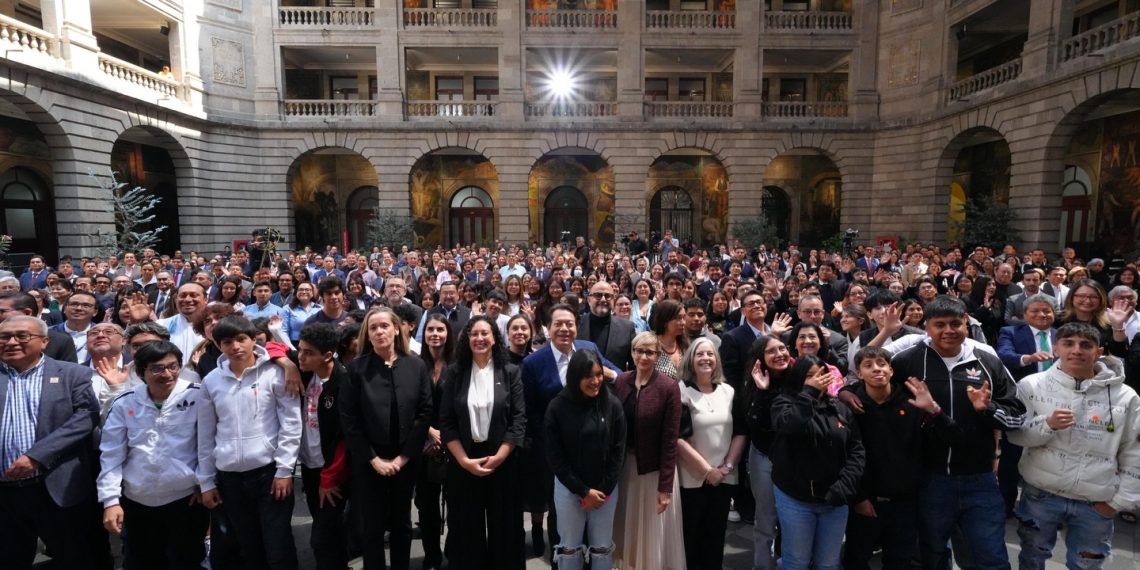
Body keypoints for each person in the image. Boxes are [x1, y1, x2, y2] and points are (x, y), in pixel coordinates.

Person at [885, 295, 1025, 570]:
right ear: (927, 327)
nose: (948, 331)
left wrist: (987, 408)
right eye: (939, 325)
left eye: (955, 324)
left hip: (979, 479)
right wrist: (845, 394)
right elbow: (871, 389)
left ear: (966, 324)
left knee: (990, 557)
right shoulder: (906, 362)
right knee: (932, 555)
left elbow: (1017, 415)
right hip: (929, 478)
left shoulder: (988, 361)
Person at [1009, 322, 1140, 569]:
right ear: (1056, 347)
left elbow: (1135, 452)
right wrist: (1047, 425)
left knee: (1086, 565)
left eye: (1086, 345)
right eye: (1068, 343)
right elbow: (1016, 437)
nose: (1077, 350)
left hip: (1096, 503)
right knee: (1032, 559)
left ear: (1099, 352)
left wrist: (1118, 503)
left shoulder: (1126, 397)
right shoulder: (1031, 385)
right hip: (1040, 496)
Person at [197, 315, 302, 570]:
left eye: (241, 339)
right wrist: (207, 481)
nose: (235, 347)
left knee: (278, 547)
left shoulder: (275, 373)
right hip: (229, 477)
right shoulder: (211, 381)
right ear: (218, 345)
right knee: (248, 546)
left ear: (254, 340)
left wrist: (284, 469)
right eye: (227, 342)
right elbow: (206, 433)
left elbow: (291, 422)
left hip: (269, 474)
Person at [96, 341, 208, 570]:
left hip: (185, 498)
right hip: (138, 500)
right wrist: (110, 501)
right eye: (157, 368)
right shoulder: (125, 402)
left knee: (186, 560)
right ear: (140, 373)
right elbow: (111, 454)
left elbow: (207, 444)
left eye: (173, 366)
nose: (167, 374)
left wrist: (204, 482)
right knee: (142, 560)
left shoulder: (198, 397)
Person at [520, 304, 619, 562]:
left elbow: (616, 375)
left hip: (594, 449)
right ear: (548, 329)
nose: (565, 329)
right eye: (558, 324)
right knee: (561, 517)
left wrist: (607, 374)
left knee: (595, 522)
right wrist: (553, 445)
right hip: (555, 454)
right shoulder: (533, 363)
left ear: (577, 326)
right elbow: (530, 412)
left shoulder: (590, 349)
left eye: (570, 324)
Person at [0, 315, 99, 570]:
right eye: (4, 336)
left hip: (54, 486)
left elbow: (86, 417)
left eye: (22, 336)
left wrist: (36, 456)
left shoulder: (72, 374)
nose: (11, 342)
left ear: (44, 341)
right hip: (5, 493)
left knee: (73, 557)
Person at [339, 307, 432, 570]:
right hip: (369, 460)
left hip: (406, 458)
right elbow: (350, 420)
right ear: (367, 334)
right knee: (372, 524)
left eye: (384, 326)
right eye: (373, 328)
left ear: (396, 329)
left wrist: (403, 458)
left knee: (402, 522)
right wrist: (373, 459)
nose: (379, 331)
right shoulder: (356, 369)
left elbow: (424, 413)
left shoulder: (415, 365)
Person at [439, 316, 527, 570]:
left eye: (485, 333)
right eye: (474, 334)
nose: (479, 338)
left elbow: (519, 419)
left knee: (505, 527)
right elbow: (446, 421)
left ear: (494, 338)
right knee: (466, 527)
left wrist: (500, 455)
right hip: (464, 458)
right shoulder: (454, 372)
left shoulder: (510, 371)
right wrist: (464, 461)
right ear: (466, 339)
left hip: (502, 458)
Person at [842, 346, 938, 570]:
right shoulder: (850, 406)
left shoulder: (912, 403)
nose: (876, 369)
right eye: (868, 365)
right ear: (858, 373)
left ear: (891, 370)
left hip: (905, 501)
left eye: (881, 364)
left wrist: (933, 411)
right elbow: (848, 456)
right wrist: (859, 497)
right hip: (865, 501)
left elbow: (931, 446)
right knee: (856, 558)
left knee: (900, 560)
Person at [769, 354, 864, 570]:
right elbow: (789, 426)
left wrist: (844, 486)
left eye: (821, 375)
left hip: (834, 499)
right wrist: (809, 393)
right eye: (809, 376)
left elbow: (856, 449)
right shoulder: (784, 402)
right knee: (797, 561)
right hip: (796, 499)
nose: (816, 380)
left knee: (829, 563)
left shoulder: (840, 408)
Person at [545, 349, 627, 570]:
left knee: (601, 548)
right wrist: (583, 491)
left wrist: (602, 490)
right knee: (569, 549)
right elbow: (555, 457)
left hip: (604, 492)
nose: (595, 381)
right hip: (568, 490)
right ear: (575, 377)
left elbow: (619, 451)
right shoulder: (557, 407)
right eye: (588, 376)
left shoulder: (612, 404)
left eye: (599, 374)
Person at [611, 331, 685, 570]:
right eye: (639, 351)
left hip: (654, 473)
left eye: (649, 352)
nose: (643, 356)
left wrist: (665, 487)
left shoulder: (668, 387)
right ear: (632, 353)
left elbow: (670, 439)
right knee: (627, 529)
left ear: (657, 355)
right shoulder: (621, 381)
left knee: (652, 533)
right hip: (626, 470)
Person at [676, 338, 746, 570]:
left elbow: (740, 432)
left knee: (716, 536)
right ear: (690, 360)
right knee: (692, 537)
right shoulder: (681, 391)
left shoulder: (729, 391)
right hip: (692, 478)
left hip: (723, 477)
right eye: (699, 354)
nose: (705, 358)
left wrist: (726, 467)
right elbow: (678, 438)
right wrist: (707, 471)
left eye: (710, 354)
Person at [295, 323, 350, 570]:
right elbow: (272, 348)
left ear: (327, 355)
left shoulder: (344, 382)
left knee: (320, 537)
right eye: (300, 350)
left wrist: (329, 478)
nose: (300, 357)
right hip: (309, 465)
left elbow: (344, 437)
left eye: (308, 352)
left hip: (333, 472)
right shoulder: (305, 372)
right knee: (328, 527)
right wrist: (286, 365)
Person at [416, 314, 454, 569]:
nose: (435, 334)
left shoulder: (459, 365)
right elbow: (409, 404)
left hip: (453, 442)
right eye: (431, 329)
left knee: (456, 502)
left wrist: (447, 436)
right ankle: (431, 554)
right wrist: (428, 431)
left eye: (440, 329)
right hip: (422, 441)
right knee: (427, 505)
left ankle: (452, 551)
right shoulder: (414, 364)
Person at [579, 281, 635, 371]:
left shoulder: (627, 328)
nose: (603, 299)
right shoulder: (575, 324)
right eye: (598, 295)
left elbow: (634, 366)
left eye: (608, 296)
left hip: (615, 384)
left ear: (613, 300)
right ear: (589, 300)